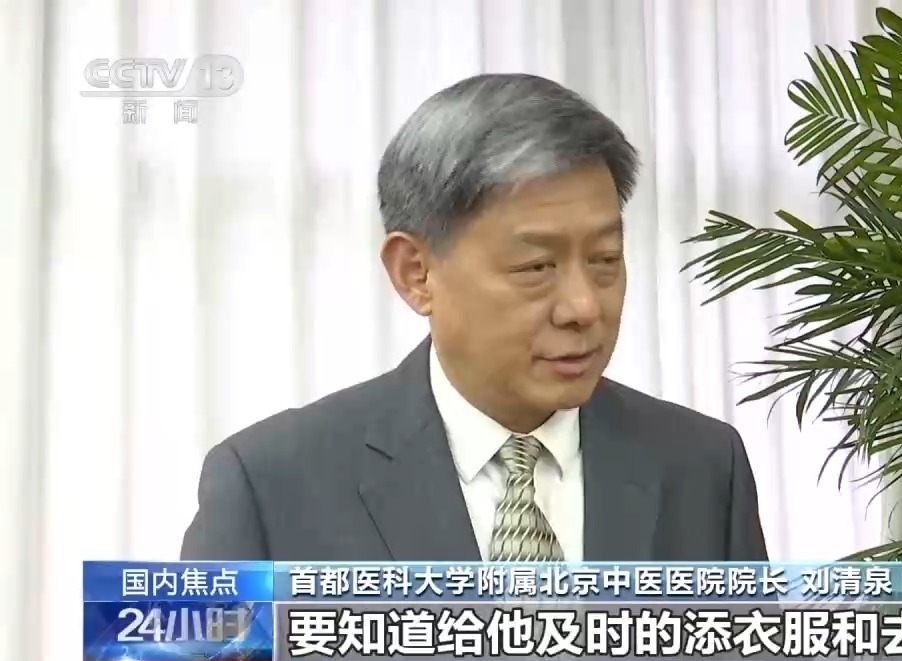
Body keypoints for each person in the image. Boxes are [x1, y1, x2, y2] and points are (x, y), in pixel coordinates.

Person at [181, 73, 769, 563]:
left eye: (605, 260)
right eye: (536, 266)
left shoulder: (702, 467)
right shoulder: (269, 486)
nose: (584, 306)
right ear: (416, 273)